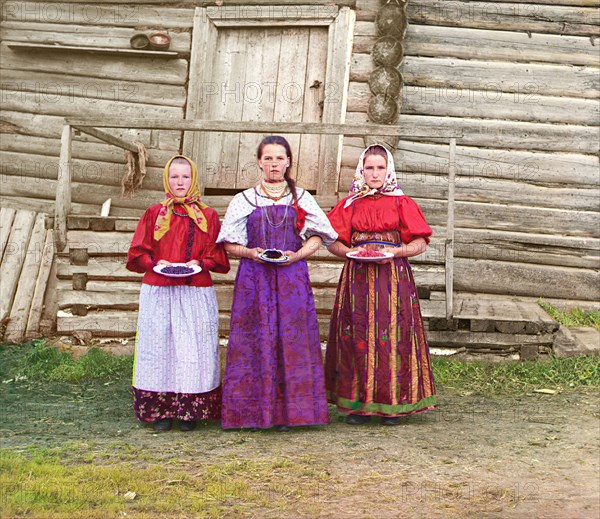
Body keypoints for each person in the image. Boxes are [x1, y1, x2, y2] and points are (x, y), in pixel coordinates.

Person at [217, 135, 338, 431]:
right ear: (259, 162)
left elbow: (319, 236)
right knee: (255, 338)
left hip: (291, 278)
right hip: (254, 279)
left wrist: (296, 255)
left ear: (288, 162)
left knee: (291, 339)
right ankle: (252, 413)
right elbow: (230, 244)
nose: (274, 163)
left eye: (279, 158)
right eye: (268, 158)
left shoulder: (302, 198)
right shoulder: (244, 199)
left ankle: (291, 414)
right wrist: (251, 253)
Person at [325, 144, 436, 425]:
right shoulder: (350, 204)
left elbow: (420, 242)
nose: (374, 174)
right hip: (358, 278)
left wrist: (396, 252)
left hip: (392, 278)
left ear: (389, 170)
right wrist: (349, 253)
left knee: (392, 335)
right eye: (369, 168)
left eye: (380, 168)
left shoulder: (402, 202)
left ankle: (392, 403)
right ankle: (358, 405)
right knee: (357, 334)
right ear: (361, 170)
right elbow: (332, 241)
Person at [126, 155, 230, 432]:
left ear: (193, 179)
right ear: (167, 180)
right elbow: (139, 251)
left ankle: (189, 410)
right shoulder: (153, 213)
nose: (180, 182)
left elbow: (216, 255)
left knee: (192, 348)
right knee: (159, 347)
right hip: (159, 291)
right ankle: (160, 411)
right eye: (174, 177)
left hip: (194, 292)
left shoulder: (207, 215)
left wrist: (200, 263)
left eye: (185, 176)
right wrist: (155, 263)